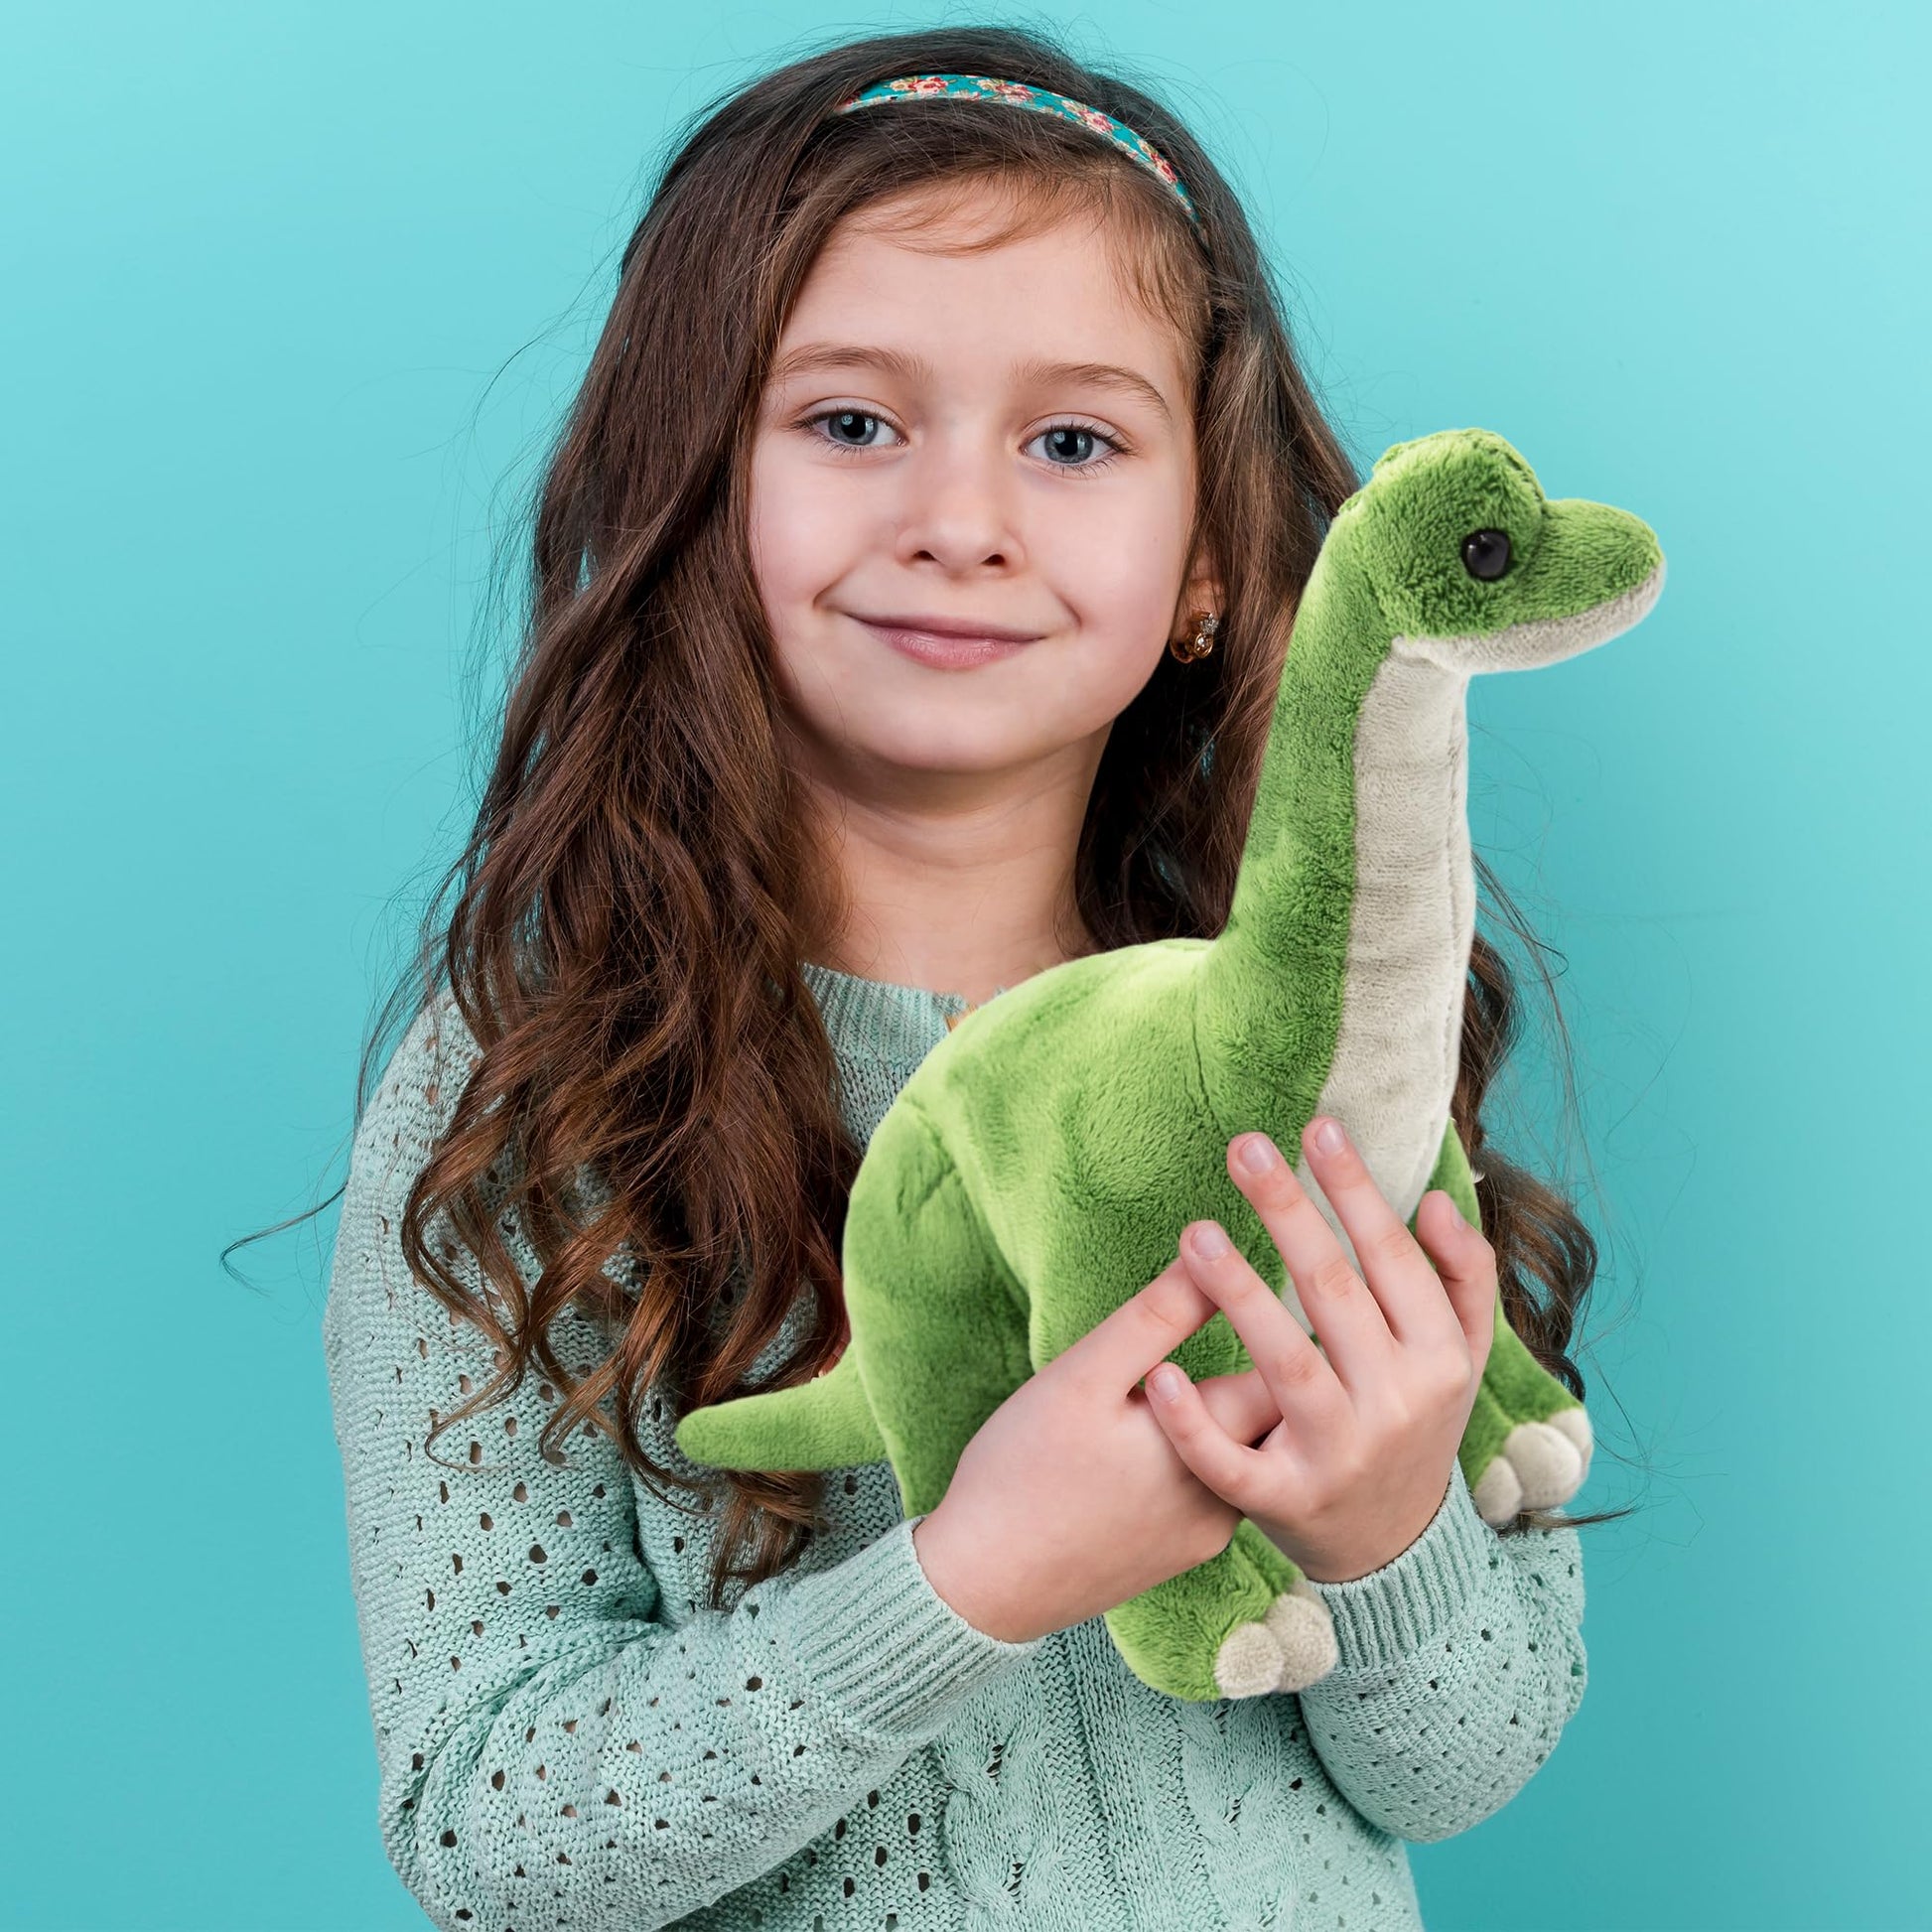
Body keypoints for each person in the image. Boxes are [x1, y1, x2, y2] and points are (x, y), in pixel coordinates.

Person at [316, 27, 1620, 1929]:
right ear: (699, 487)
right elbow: (490, 1832)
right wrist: (972, 1574)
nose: (959, 518)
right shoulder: (534, 1098)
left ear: (1203, 560)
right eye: (851, 423)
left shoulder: (1320, 1059)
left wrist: (1383, 1522)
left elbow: (1466, 1758)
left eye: (1072, 441)